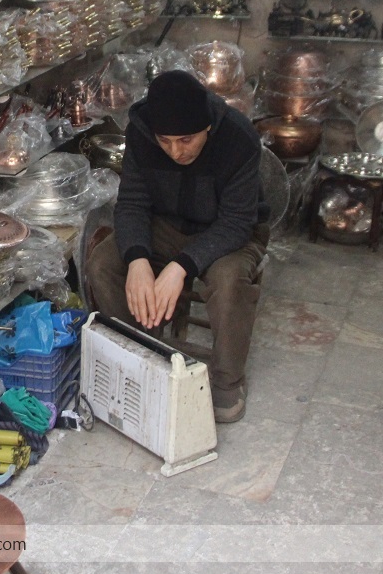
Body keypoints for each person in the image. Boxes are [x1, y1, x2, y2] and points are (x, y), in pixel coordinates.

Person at [86, 70, 269, 424]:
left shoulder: (238, 138)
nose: (174, 151)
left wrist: (180, 266)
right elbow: (133, 203)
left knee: (229, 280)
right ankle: (141, 357)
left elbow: (236, 222)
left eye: (186, 140)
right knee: (103, 264)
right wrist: (138, 259)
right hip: (166, 224)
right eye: (165, 140)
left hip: (228, 231)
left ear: (207, 129)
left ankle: (227, 382)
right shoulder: (141, 133)